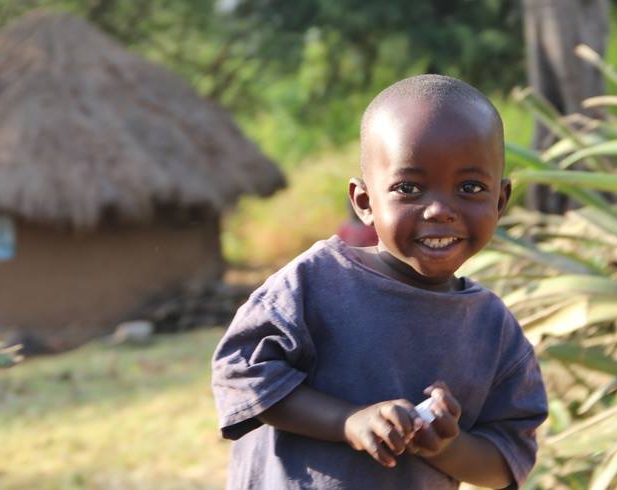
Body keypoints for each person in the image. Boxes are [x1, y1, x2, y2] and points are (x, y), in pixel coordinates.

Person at [211, 74, 548, 490]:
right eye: (409, 188)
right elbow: (242, 373)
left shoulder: (493, 331)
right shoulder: (315, 283)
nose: (440, 209)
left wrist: (446, 447)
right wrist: (347, 421)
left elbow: (506, 461)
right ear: (365, 202)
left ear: (500, 201)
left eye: (470, 187)